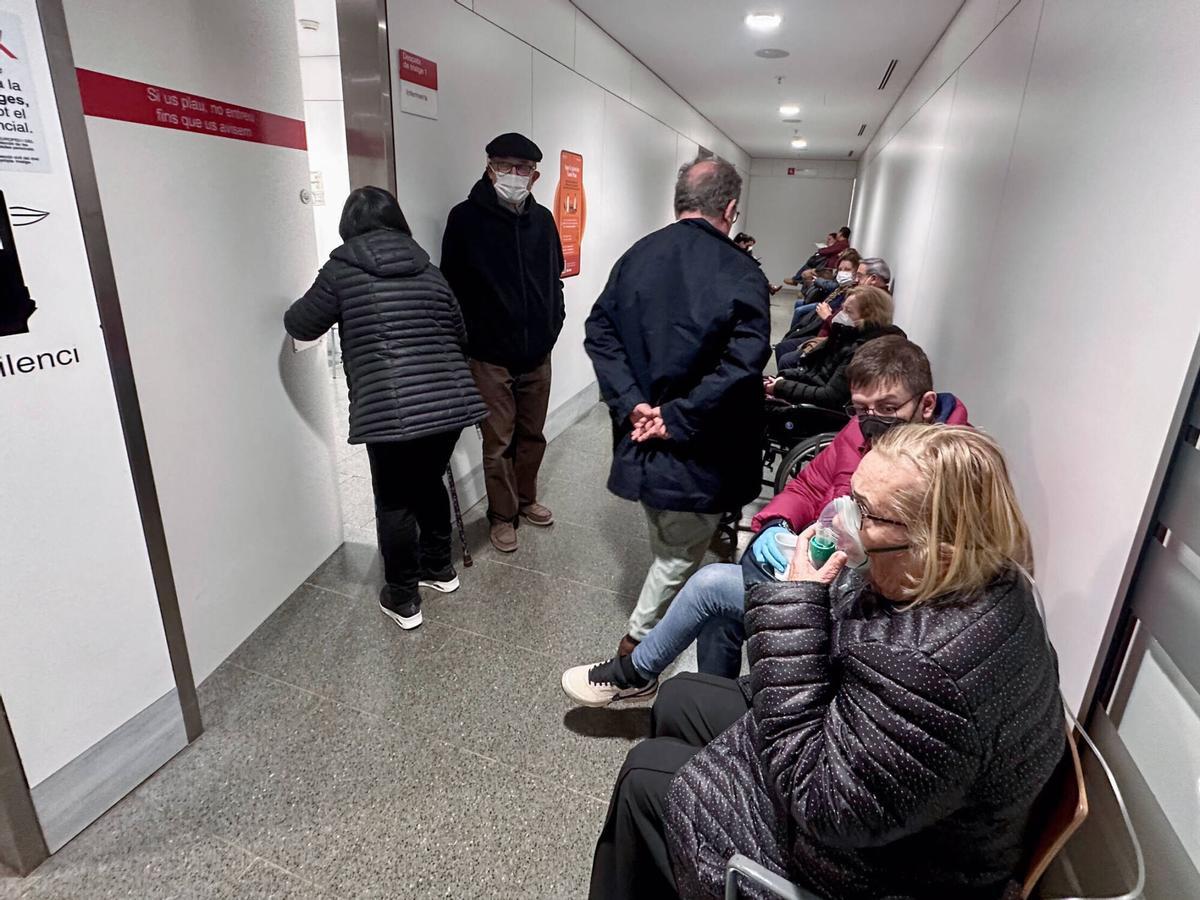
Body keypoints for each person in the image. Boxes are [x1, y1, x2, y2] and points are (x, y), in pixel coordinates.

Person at [589, 425, 1066, 900]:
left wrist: (794, 602)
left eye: (865, 513)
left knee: (643, 775)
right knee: (680, 696)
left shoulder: (932, 672)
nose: (841, 519)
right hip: (867, 773)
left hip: (875, 868)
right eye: (851, 496)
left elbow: (822, 804)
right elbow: (863, 648)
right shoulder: (972, 575)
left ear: (935, 547)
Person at [561, 336, 969, 704]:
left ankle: (636, 673)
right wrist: (776, 524)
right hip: (822, 564)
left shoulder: (946, 468)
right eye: (862, 409)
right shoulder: (856, 432)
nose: (872, 420)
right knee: (722, 609)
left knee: (710, 586)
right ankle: (712, 699)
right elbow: (808, 487)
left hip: (860, 605)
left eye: (888, 408)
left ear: (926, 405)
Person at [584, 157, 771, 664]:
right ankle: (635, 654)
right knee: (675, 555)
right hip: (701, 446)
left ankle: (659, 625)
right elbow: (744, 362)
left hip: (642, 438)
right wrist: (677, 416)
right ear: (730, 208)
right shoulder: (742, 272)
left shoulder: (636, 256)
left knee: (670, 538)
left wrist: (634, 404)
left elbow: (599, 332)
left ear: (678, 202)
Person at [285, 187, 487, 631]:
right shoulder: (429, 271)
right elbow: (461, 332)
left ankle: (403, 597)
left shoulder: (341, 272)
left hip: (389, 409)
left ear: (348, 226)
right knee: (428, 481)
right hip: (450, 404)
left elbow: (301, 321)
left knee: (394, 499)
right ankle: (439, 568)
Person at [440, 132, 566, 553]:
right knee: (497, 443)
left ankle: (526, 499)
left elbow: (555, 279)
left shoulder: (543, 221)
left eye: (523, 169)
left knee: (532, 436)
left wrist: (553, 325)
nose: (514, 175)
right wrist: (470, 342)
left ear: (535, 176)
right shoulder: (465, 219)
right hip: (489, 356)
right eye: (506, 166)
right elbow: (452, 288)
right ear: (489, 166)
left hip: (537, 353)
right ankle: (502, 515)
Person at [766, 285, 901, 408]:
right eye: (842, 308)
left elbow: (830, 396)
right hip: (812, 394)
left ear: (869, 318)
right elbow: (815, 372)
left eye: (848, 311)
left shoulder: (861, 351)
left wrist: (782, 387)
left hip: (821, 411)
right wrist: (784, 378)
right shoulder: (845, 336)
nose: (841, 315)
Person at [783, 250, 860, 339]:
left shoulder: (852, 292)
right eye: (840, 269)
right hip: (825, 305)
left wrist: (818, 281)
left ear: (856, 272)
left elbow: (832, 287)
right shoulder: (841, 285)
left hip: (826, 314)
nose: (842, 273)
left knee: (800, 311)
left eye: (847, 270)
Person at [784, 226, 850, 286]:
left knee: (807, 271)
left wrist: (821, 250)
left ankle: (797, 281)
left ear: (841, 233)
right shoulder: (842, 244)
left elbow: (828, 250)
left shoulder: (842, 244)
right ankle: (797, 281)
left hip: (828, 269)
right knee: (811, 264)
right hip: (827, 267)